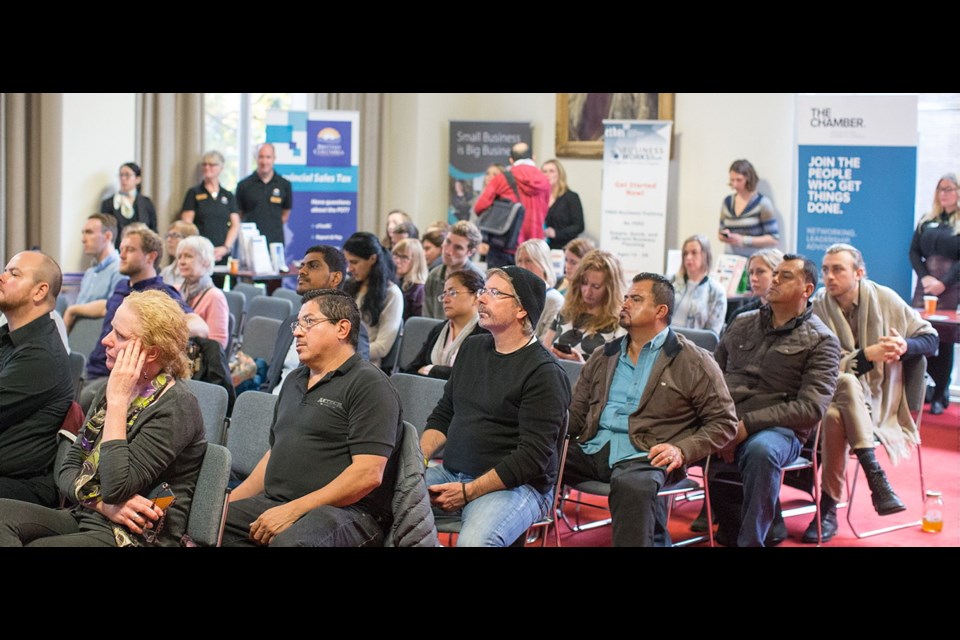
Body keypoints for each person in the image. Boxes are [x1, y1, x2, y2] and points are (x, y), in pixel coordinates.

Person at [0, 290, 206, 546]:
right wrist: (101, 505)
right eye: (112, 330)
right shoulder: (112, 387)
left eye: (120, 336)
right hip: (89, 516)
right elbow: (66, 468)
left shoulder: (177, 406)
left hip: (133, 536)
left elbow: (116, 487)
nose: (106, 340)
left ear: (151, 354)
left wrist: (118, 402)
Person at [564, 273, 739, 546]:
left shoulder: (693, 360)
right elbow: (575, 416)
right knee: (530, 458)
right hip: (593, 447)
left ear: (660, 311)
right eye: (626, 298)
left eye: (636, 299)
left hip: (647, 454)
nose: (625, 303)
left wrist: (681, 450)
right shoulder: (604, 355)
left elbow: (724, 423)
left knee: (633, 487)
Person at [222, 289, 402, 547]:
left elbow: (368, 474)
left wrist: (293, 510)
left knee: (290, 543)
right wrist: (226, 504)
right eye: (297, 323)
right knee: (207, 523)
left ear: (342, 328)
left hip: (346, 514)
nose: (296, 331)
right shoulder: (294, 380)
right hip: (279, 502)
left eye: (308, 322)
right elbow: (274, 454)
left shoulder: (370, 385)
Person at [420, 266, 571, 546]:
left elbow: (531, 458)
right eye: (483, 291)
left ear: (521, 310)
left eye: (494, 293)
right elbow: (444, 414)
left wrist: (468, 492)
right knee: (380, 506)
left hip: (516, 486)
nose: (481, 299)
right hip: (451, 472)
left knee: (475, 543)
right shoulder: (472, 348)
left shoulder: (544, 373)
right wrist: (418, 461)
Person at [805, 243, 939, 543]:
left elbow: (931, 339)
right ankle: (874, 476)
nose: (829, 276)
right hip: (830, 394)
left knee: (836, 417)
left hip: (879, 400)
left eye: (838, 269)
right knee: (843, 392)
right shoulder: (818, 308)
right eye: (825, 269)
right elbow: (817, 365)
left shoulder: (885, 298)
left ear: (859, 273)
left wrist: (905, 347)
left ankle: (827, 509)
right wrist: (867, 355)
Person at [712, 254, 840, 547]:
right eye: (776, 273)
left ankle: (751, 542)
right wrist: (720, 423)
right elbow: (712, 377)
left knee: (761, 450)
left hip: (779, 431)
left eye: (785, 276)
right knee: (661, 428)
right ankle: (653, 535)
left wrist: (747, 426)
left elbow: (811, 408)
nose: (775, 279)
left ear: (806, 290)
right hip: (727, 420)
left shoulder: (822, 340)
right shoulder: (743, 322)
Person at [80, 225, 200, 412]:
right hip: (94, 367)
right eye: (121, 249)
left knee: (82, 401)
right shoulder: (122, 286)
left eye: (130, 249)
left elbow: (199, 325)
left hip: (120, 375)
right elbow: (106, 306)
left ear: (150, 257)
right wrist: (72, 311)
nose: (122, 255)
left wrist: (157, 330)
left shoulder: (160, 293)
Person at [0, 251, 74, 506]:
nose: (2, 277)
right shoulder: (9, 337)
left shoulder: (41, 356)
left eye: (14, 274)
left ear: (40, 291)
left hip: (21, 487)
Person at [261, 245, 369, 394]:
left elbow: (354, 385)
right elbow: (270, 381)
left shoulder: (347, 328)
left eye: (313, 266)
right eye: (302, 266)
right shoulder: (290, 324)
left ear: (335, 278)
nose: (302, 271)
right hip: (272, 406)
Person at [910, 173, 960, 415]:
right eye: (941, 189)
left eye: (949, 189)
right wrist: (926, 277)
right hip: (925, 285)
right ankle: (923, 388)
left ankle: (941, 392)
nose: (944, 193)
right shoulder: (927, 219)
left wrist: (944, 283)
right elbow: (913, 252)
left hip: (951, 286)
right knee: (922, 332)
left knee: (945, 338)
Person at [472, 142, 550, 268]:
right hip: (535, 250)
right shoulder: (545, 181)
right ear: (533, 158)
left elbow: (479, 207)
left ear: (511, 160)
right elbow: (545, 212)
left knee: (499, 286)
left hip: (505, 246)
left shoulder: (501, 179)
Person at [542, 249, 627, 363]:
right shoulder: (565, 312)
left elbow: (614, 371)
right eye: (584, 283)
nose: (587, 292)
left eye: (596, 286)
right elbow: (544, 352)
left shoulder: (618, 324)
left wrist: (581, 366)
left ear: (610, 289)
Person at [403, 269, 488, 380]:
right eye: (444, 294)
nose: (445, 300)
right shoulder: (438, 330)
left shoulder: (485, 333)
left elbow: (472, 378)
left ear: (476, 297)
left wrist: (432, 370)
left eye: (453, 293)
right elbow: (411, 370)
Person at [342, 232, 403, 369]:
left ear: (372, 259)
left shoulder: (392, 294)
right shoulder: (349, 286)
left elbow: (382, 347)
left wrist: (344, 353)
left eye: (355, 262)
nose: (349, 268)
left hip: (366, 366)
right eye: (348, 262)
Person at [63, 214, 124, 331]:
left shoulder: (119, 269)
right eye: (83, 233)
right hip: (79, 334)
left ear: (107, 236)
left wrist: (73, 310)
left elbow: (113, 307)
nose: (83, 239)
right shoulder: (90, 272)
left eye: (89, 232)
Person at [180, 150, 241, 266]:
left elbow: (235, 224)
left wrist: (225, 248)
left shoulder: (228, 195)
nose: (207, 168)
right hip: (199, 253)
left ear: (221, 168)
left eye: (212, 165)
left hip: (221, 253)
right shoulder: (194, 193)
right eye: (205, 164)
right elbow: (187, 225)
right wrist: (200, 248)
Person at [423, 220, 485, 320]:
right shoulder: (434, 275)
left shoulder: (479, 279)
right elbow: (427, 318)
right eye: (447, 242)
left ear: (470, 252)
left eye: (458, 248)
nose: (448, 251)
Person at [176, 235, 230, 350]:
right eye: (179, 257)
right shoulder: (176, 290)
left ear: (206, 261)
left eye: (188, 256)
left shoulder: (214, 296)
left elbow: (217, 345)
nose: (181, 262)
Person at [717, 159, 780, 257]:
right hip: (730, 261)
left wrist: (744, 240)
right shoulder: (727, 202)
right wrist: (725, 235)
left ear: (749, 178)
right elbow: (720, 231)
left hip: (753, 261)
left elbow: (774, 239)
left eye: (739, 180)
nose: (735, 184)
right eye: (732, 180)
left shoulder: (762, 203)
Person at [235, 143, 293, 249]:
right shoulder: (243, 185)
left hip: (275, 242)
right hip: (249, 242)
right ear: (256, 158)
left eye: (268, 157)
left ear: (274, 158)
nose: (264, 161)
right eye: (261, 157)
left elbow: (285, 213)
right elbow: (239, 214)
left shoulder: (284, 184)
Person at [671, 234, 727, 335]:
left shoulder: (716, 291)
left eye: (694, 253)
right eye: (685, 253)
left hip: (694, 346)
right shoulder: (670, 282)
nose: (688, 257)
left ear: (705, 255)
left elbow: (712, 335)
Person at [514, 239, 564, 339]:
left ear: (543, 263)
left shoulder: (554, 300)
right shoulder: (515, 297)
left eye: (528, 261)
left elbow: (547, 345)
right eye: (519, 261)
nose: (522, 266)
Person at [100, 162, 158, 245]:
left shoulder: (146, 202)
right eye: (121, 175)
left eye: (127, 175)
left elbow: (153, 229)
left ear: (138, 179)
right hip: (118, 249)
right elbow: (105, 230)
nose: (123, 178)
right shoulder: (109, 203)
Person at [725, 248, 784, 326]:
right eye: (751, 272)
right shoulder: (741, 316)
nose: (753, 278)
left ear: (778, 274)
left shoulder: (793, 313)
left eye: (760, 272)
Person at [542, 158, 584, 250]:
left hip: (564, 248)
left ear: (560, 174)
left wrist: (556, 233)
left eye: (551, 171)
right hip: (544, 248)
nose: (547, 175)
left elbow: (579, 226)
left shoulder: (571, 197)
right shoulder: (540, 197)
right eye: (544, 171)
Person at [391, 238, 428, 321]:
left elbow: (417, 323)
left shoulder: (419, 290)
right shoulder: (392, 283)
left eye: (404, 257)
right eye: (395, 255)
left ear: (416, 261)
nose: (397, 261)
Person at [159, 220, 199, 289]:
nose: (169, 240)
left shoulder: (196, 272)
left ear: (188, 239)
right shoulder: (166, 271)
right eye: (167, 236)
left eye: (174, 235)